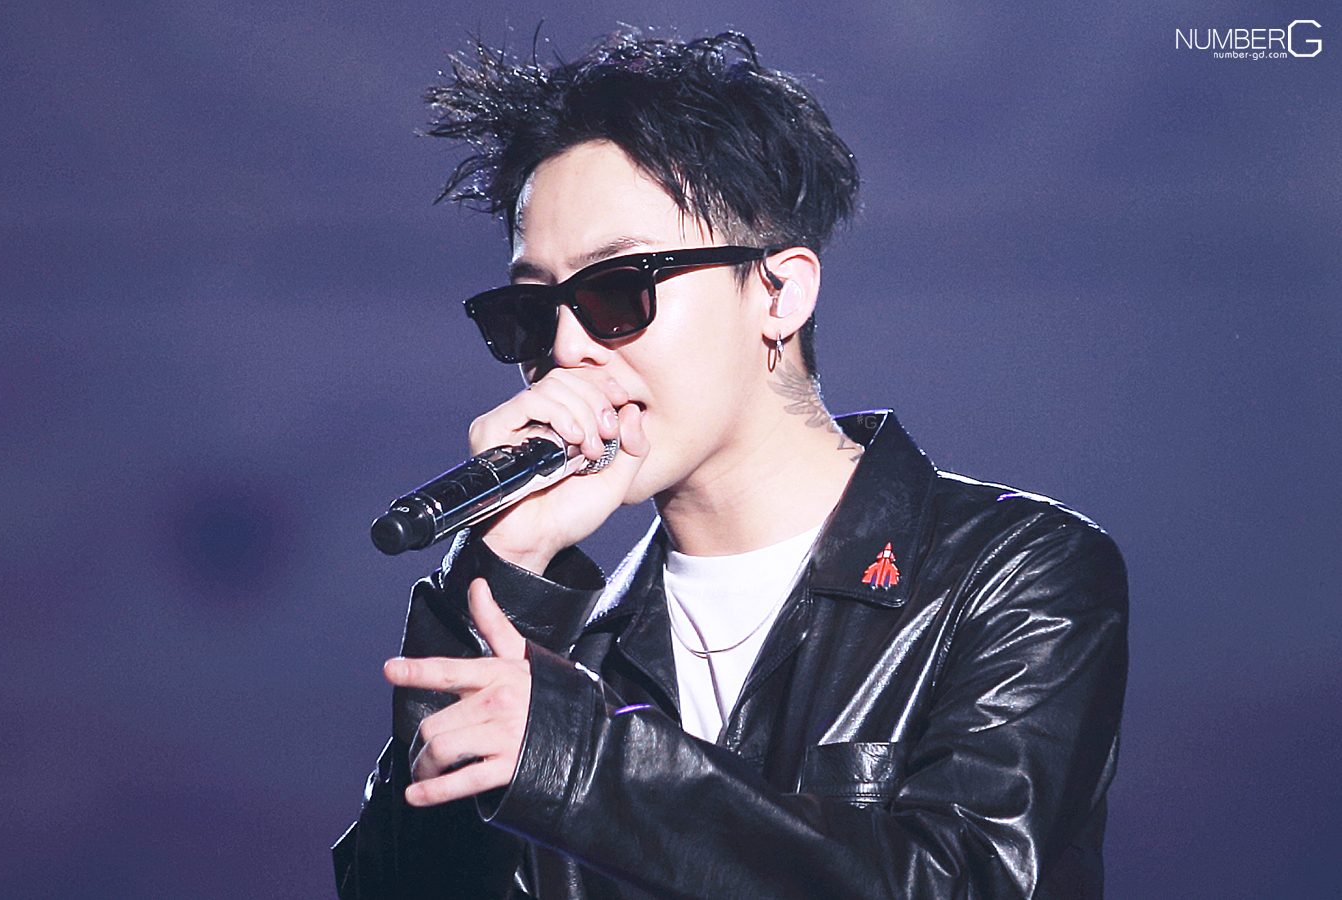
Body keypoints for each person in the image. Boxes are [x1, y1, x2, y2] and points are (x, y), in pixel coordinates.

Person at [333, 29, 1127, 900]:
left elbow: (969, 881)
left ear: (780, 293)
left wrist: (586, 766)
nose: (564, 350)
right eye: (529, 312)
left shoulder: (1010, 571)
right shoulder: (571, 649)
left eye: (617, 290)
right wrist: (505, 568)